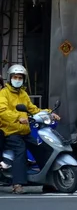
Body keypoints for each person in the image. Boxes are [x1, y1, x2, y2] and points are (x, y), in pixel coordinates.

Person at [0, 64, 59, 194]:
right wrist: (17, 118)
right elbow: (2, 112)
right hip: (10, 132)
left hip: (25, 132)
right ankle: (17, 184)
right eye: (15, 77)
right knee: (21, 151)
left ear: (23, 79)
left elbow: (33, 109)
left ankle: (48, 182)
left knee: (43, 149)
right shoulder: (3, 93)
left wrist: (49, 113)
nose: (17, 79)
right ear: (10, 78)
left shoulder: (23, 94)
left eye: (20, 77)